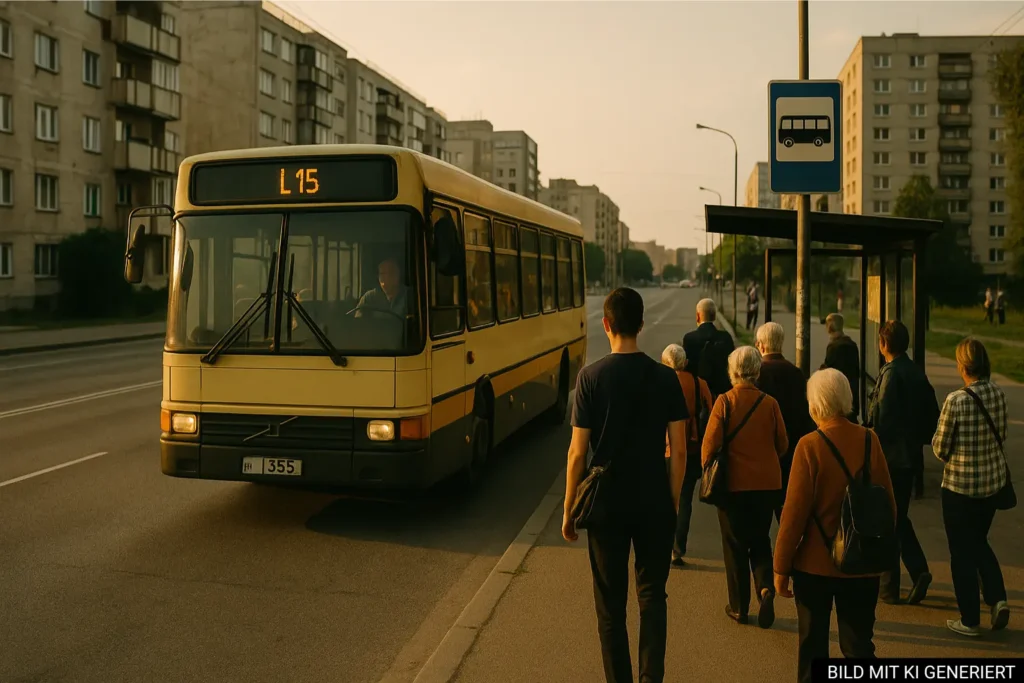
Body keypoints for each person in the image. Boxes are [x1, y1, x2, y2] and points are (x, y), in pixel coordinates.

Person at [562, 287, 688, 683]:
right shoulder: (667, 378)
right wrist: (671, 500)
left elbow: (577, 455)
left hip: (606, 505)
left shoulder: (590, 378)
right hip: (653, 497)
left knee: (611, 608)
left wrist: (568, 510)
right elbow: (680, 452)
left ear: (606, 325)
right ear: (641, 324)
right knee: (652, 597)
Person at [774, 369, 895, 683]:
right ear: (847, 400)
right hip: (862, 564)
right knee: (858, 647)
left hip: (815, 567)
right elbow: (888, 506)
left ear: (815, 406)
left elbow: (794, 515)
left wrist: (781, 567)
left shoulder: (809, 446)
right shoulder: (870, 440)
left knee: (812, 647)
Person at [702, 346, 788, 628]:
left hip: (733, 487)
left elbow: (709, 448)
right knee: (761, 539)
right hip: (766, 486)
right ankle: (765, 589)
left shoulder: (724, 402)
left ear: (733, 371)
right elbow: (783, 445)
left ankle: (739, 607)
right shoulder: (770, 403)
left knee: (734, 544)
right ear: (756, 371)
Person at [931, 338, 1011, 636]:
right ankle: (998, 599)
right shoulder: (999, 394)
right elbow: (1001, 434)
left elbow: (940, 448)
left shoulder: (956, 400)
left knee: (961, 552)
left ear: (963, 366)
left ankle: (969, 619)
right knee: (978, 541)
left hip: (959, 489)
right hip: (991, 485)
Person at [866, 320, 932, 605]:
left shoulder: (890, 375)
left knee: (888, 519)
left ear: (883, 345)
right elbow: (932, 414)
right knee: (897, 516)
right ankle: (917, 572)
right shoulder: (916, 371)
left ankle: (890, 586)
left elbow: (879, 420)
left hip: (890, 458)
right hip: (910, 456)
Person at [755, 322, 815, 522]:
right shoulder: (796, 374)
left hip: (764, 452)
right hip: (791, 448)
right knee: (787, 512)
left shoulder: (757, 375)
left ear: (761, 346)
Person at [661, 343, 714, 567]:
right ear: (685, 362)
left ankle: (659, 544)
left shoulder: (659, 383)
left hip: (663, 450)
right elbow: (711, 414)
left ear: (665, 363)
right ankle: (677, 548)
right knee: (684, 500)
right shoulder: (698, 383)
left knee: (660, 497)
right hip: (691, 449)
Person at [682, 298, 735, 400]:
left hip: (698, 394)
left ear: (697, 316)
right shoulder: (725, 338)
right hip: (722, 393)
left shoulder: (689, 339)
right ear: (714, 316)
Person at [820, 313, 860, 423]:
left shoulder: (834, 347)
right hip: (851, 397)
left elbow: (828, 372)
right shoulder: (852, 345)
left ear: (830, 327)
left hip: (838, 400)